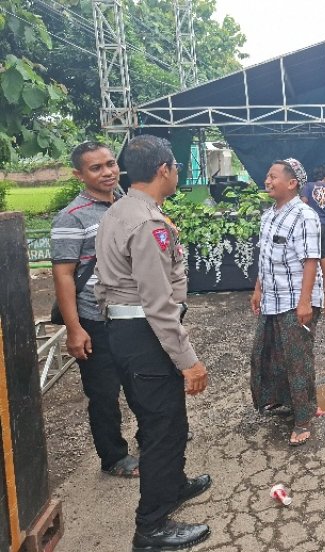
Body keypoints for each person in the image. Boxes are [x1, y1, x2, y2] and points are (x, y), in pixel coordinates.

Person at [95, 135, 210, 551]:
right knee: (165, 428)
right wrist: (189, 361)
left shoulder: (123, 209)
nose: (177, 173)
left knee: (156, 418)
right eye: (176, 166)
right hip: (145, 335)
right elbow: (158, 304)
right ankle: (152, 527)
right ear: (164, 168)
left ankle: (172, 485)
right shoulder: (146, 222)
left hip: (126, 334)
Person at [50, 141, 139, 478]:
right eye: (96, 168)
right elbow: (63, 274)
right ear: (79, 174)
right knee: (103, 393)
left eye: (110, 164)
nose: (108, 172)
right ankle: (114, 457)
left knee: (140, 381)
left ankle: (149, 437)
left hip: (130, 314)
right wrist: (75, 329)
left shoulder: (125, 204)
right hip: (95, 319)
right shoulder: (71, 217)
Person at [250, 157, 325, 446]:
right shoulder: (268, 215)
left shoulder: (305, 216)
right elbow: (264, 257)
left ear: (292, 183)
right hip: (272, 298)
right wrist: (258, 289)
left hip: (296, 300)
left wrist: (305, 302)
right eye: (267, 176)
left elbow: (310, 261)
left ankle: (303, 418)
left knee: (297, 360)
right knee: (269, 353)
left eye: (273, 177)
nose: (267, 181)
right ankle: (284, 401)